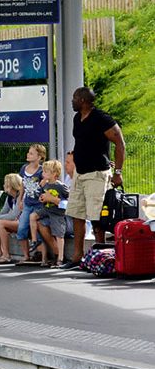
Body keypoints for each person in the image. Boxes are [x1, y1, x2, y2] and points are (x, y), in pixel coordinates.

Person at [65, 86, 126, 270]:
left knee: (97, 217)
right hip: (80, 173)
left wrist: (118, 173)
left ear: (83, 100)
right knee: (76, 214)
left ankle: (101, 257)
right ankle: (77, 257)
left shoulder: (101, 118)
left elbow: (120, 143)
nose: (72, 101)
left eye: (74, 98)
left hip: (97, 174)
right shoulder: (77, 118)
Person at [13, 144, 45, 264]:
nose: (28, 154)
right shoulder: (24, 168)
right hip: (28, 203)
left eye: (31, 153)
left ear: (39, 157)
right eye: (28, 152)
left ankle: (42, 256)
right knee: (21, 229)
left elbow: (45, 185)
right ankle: (26, 255)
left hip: (38, 205)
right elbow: (22, 185)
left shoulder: (42, 171)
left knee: (37, 229)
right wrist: (20, 199)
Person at [35, 159, 69, 268]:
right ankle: (39, 247)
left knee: (59, 234)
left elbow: (69, 200)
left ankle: (60, 258)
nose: (43, 173)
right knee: (34, 219)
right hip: (47, 210)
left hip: (57, 213)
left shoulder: (60, 186)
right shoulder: (45, 184)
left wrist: (54, 199)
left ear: (54, 174)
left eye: (46, 171)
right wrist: (42, 197)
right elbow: (40, 196)